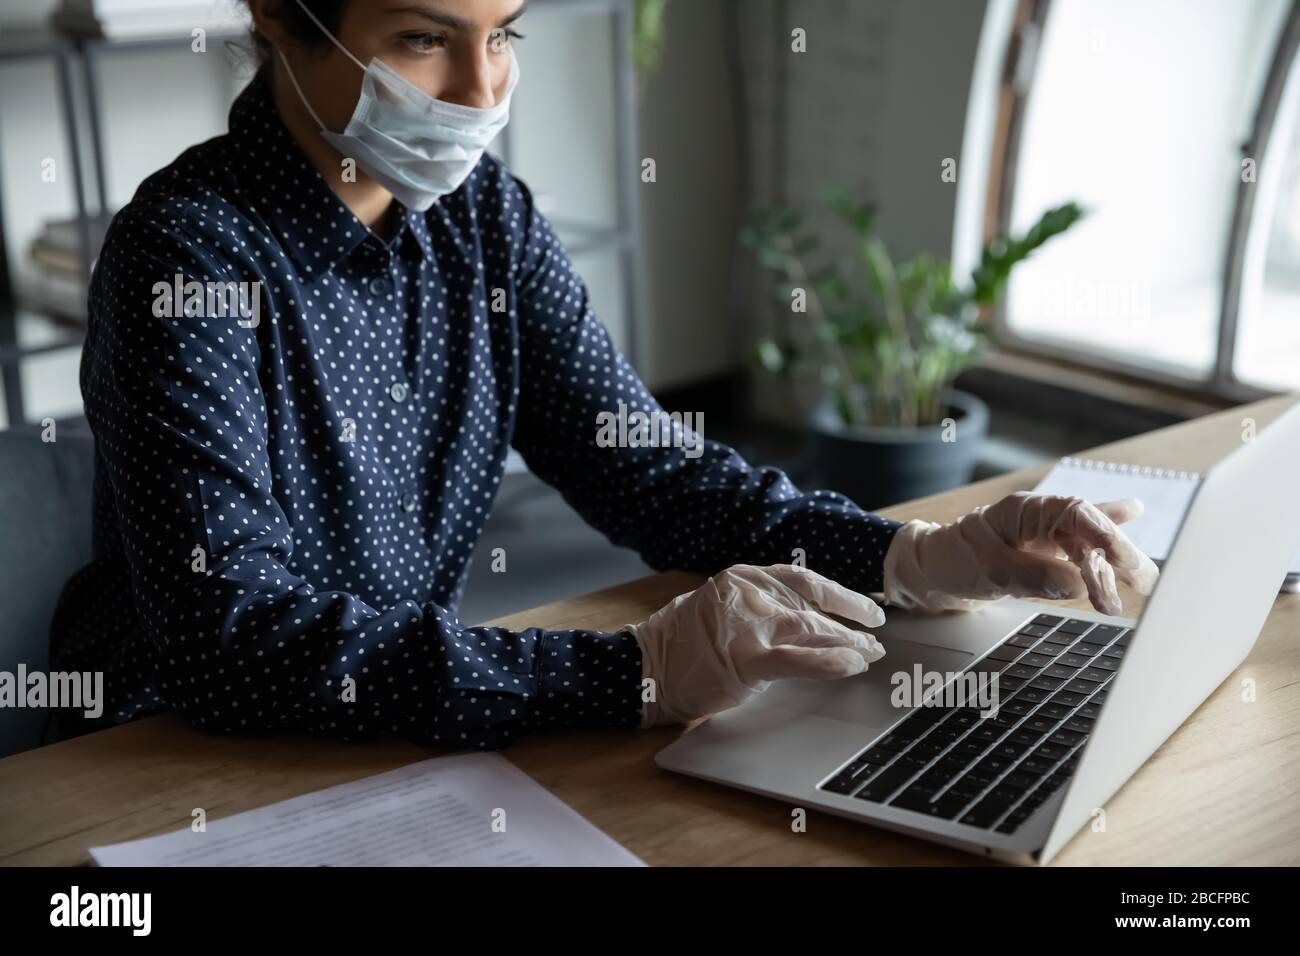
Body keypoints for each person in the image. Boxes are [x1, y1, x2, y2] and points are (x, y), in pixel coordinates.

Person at [49, 0, 1158, 749]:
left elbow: (648, 470)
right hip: (175, 750)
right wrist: (629, 669)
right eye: (424, 36)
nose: (481, 90)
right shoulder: (187, 254)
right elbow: (232, 637)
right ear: (277, 18)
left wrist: (915, 553)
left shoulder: (483, 217)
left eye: (504, 31)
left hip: (396, 726)